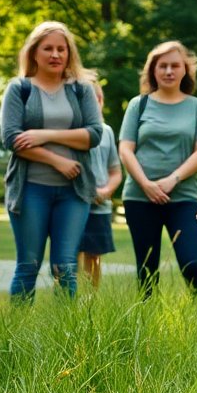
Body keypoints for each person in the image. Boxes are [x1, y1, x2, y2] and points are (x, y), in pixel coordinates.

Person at [0, 22, 103, 300]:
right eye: (48, 48)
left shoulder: (82, 90)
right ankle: (17, 324)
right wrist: (57, 161)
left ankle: (66, 326)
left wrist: (44, 135)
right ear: (34, 52)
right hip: (30, 189)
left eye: (61, 49)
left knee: (65, 267)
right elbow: (11, 139)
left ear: (69, 54)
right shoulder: (19, 89)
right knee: (28, 265)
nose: (55, 54)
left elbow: (94, 134)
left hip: (74, 192)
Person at [119, 41, 197, 298]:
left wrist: (173, 179)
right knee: (146, 269)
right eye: (163, 66)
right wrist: (146, 184)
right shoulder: (138, 105)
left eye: (175, 65)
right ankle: (146, 316)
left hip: (183, 196)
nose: (169, 71)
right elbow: (125, 149)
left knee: (192, 265)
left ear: (185, 69)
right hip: (140, 196)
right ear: (153, 70)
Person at [79, 76, 122, 290]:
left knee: (94, 256)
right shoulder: (69, 131)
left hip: (99, 206)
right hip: (73, 202)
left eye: (95, 99)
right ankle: (66, 300)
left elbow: (115, 171)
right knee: (67, 255)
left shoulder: (106, 132)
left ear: (100, 101)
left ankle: (90, 299)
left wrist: (106, 191)